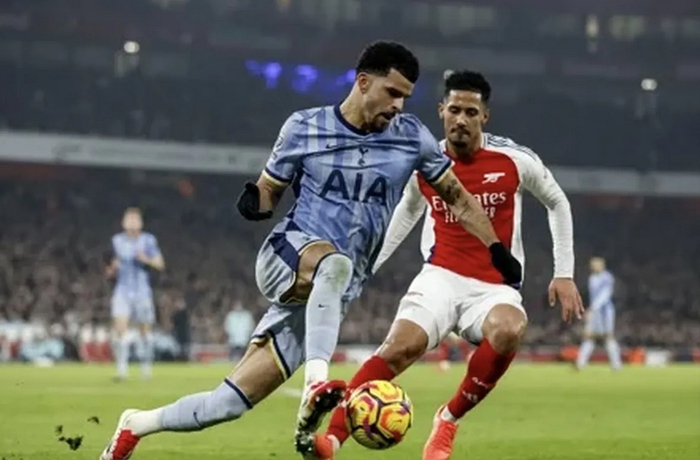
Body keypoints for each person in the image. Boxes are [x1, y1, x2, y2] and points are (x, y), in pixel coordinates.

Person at [98, 42, 521, 460]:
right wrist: (255, 202)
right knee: (333, 264)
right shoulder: (305, 127)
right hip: (288, 255)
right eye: (392, 92)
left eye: (405, 97)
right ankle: (316, 384)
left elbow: (458, 198)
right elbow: (269, 189)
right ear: (363, 82)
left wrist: (495, 248)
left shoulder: (411, 138)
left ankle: (135, 425)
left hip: (327, 295)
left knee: (225, 404)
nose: (398, 105)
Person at [307, 70, 584, 460]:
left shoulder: (514, 160)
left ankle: (448, 419)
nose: (461, 119)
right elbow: (407, 212)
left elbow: (557, 202)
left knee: (509, 329)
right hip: (440, 277)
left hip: (494, 286)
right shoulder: (426, 160)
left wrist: (564, 273)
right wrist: (368, 266)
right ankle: (331, 440)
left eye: (471, 112)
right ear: (441, 111)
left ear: (485, 116)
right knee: (399, 348)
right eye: (454, 110)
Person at [105, 207, 165, 381]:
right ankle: (122, 370)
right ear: (123, 223)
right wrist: (112, 269)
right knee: (119, 327)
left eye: (135, 220)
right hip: (123, 289)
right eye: (129, 219)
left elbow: (160, 264)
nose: (131, 223)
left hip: (142, 290)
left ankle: (146, 368)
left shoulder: (148, 240)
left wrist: (145, 259)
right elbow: (110, 266)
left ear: (141, 223)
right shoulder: (116, 241)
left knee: (144, 330)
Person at [575, 257, 621, 370]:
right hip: (595, 312)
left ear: (601, 265)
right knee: (589, 336)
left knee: (608, 336)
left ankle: (616, 364)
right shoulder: (592, 278)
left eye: (595, 264)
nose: (592, 267)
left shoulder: (607, 277)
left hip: (605, 311)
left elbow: (605, 295)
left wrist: (593, 308)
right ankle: (580, 363)